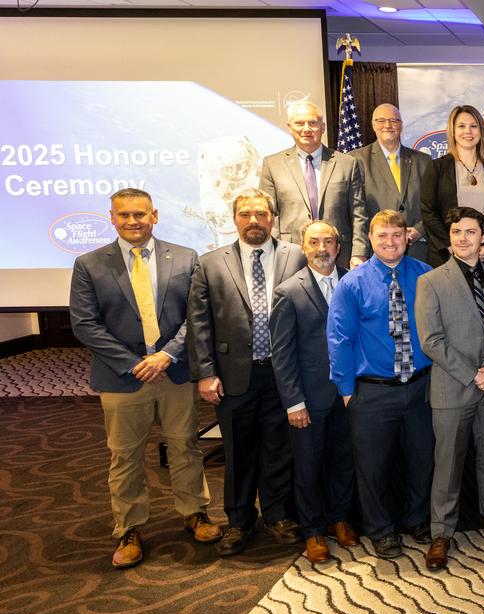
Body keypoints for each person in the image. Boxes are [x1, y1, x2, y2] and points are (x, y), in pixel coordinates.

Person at [70, 188, 220, 569]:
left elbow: (196, 316)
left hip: (174, 371)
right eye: (124, 215)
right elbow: (85, 324)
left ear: (154, 215)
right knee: (125, 456)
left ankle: (195, 513)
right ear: (112, 218)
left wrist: (166, 355)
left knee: (185, 446)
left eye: (140, 214)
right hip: (123, 378)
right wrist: (135, 363)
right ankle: (129, 528)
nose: (133, 221)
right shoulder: (89, 264)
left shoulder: (185, 258)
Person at [187, 189, 308, 557]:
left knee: (278, 447)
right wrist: (205, 373)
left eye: (260, 213)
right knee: (238, 450)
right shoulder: (210, 263)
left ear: (272, 217)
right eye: (245, 214)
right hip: (233, 374)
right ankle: (239, 521)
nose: (253, 221)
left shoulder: (296, 256)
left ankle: (277, 516)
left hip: (282, 373)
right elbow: (199, 323)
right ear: (234, 218)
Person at [327, 209, 435, 559]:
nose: (391, 242)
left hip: (420, 387)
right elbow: (339, 339)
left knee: (422, 459)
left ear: (407, 238)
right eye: (383, 236)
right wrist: (345, 389)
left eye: (397, 235)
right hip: (371, 391)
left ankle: (417, 519)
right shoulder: (352, 283)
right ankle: (381, 530)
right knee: (373, 467)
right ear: (371, 240)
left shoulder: (426, 276)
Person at [416, 207, 484, 571]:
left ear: (483, 237)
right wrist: (473, 373)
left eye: (470, 232)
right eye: (456, 231)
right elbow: (431, 341)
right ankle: (441, 532)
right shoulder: (431, 281)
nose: (462, 238)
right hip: (452, 388)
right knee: (448, 465)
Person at [268, 221, 357, 564]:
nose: (322, 248)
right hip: (308, 398)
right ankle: (312, 531)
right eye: (314, 242)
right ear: (303, 248)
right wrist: (293, 402)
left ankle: (339, 519)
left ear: (338, 245)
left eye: (329, 241)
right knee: (307, 466)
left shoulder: (352, 282)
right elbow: (283, 353)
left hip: (349, 395)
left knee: (343, 460)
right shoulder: (288, 292)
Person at [258, 100, 368, 268]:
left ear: (322, 127)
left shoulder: (347, 163)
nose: (306, 129)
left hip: (339, 254)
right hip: (290, 254)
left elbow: (358, 212)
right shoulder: (272, 164)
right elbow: (269, 214)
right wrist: (274, 252)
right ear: (290, 127)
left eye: (312, 123)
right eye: (299, 123)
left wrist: (359, 252)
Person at [421, 105, 484, 268]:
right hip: (447, 257)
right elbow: (428, 211)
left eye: (474, 126)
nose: (468, 131)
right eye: (461, 126)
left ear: (481, 131)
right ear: (452, 131)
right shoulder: (437, 167)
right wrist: (452, 245)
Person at [351, 104, 432, 263]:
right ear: (373, 125)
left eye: (394, 120)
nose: (387, 125)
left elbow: (433, 204)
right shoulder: (355, 160)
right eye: (381, 120)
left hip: (418, 251)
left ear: (401, 125)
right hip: (377, 251)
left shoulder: (424, 161)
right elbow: (355, 208)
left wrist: (419, 230)